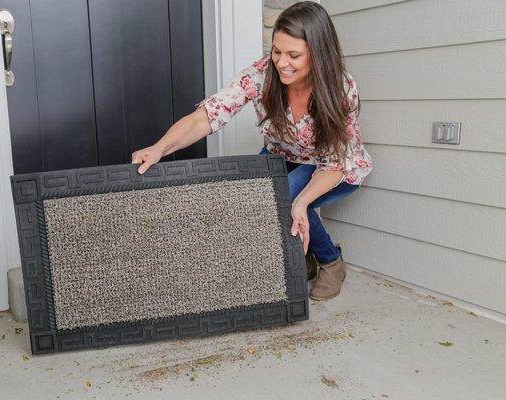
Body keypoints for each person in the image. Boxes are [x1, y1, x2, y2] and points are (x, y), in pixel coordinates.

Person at [131, 1, 373, 301]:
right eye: (276, 51)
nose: (282, 62)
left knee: (289, 198)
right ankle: (306, 259)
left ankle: (331, 262)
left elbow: (336, 162)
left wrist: (300, 202)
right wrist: (159, 148)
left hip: (333, 166)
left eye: (294, 55)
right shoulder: (262, 74)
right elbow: (207, 116)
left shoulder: (340, 89)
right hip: (281, 157)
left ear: (318, 53)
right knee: (251, 200)